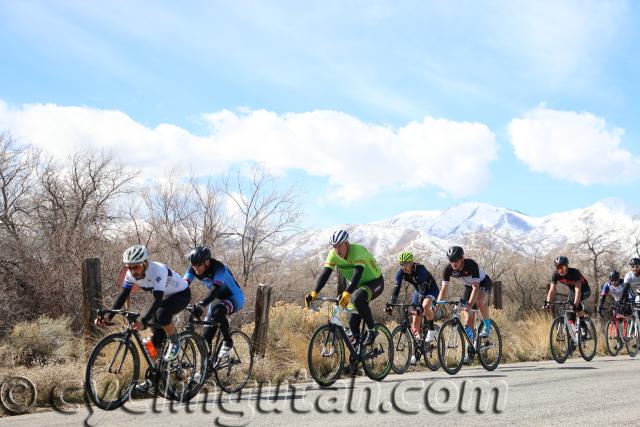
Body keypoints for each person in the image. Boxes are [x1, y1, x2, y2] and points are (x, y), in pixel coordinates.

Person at [95, 245, 190, 393]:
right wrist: (108, 316)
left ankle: (174, 340)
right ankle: (154, 378)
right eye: (129, 267)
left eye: (136, 267)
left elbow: (158, 299)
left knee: (160, 315)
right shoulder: (130, 274)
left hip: (180, 294)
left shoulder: (157, 270)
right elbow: (123, 295)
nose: (133, 271)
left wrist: (143, 322)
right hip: (164, 297)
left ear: (145, 263)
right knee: (155, 339)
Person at [305, 230, 384, 348]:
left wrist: (347, 292)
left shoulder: (357, 251)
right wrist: (314, 292)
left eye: (340, 246)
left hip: (375, 282)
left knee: (357, 298)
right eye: (335, 247)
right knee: (352, 322)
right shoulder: (333, 255)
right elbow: (325, 274)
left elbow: (357, 274)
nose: (338, 250)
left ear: (347, 243)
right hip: (357, 286)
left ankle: (372, 330)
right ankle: (356, 356)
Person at [185, 245, 245, 360]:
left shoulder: (218, 268)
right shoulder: (193, 269)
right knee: (205, 339)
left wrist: (202, 304)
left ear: (207, 262)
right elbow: (183, 285)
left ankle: (228, 341)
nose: (196, 269)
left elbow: (215, 290)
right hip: (218, 298)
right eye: (193, 265)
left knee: (218, 312)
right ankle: (206, 370)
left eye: (198, 265)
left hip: (234, 297)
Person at [386, 251, 439, 343]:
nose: (403, 267)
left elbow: (422, 286)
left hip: (431, 289)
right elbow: (396, 288)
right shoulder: (401, 272)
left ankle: (431, 330)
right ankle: (418, 345)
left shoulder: (420, 269)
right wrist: (391, 304)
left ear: (411, 263)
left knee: (425, 305)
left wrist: (420, 304)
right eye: (401, 264)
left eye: (406, 264)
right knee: (415, 317)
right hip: (419, 291)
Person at [544, 256, 591, 338]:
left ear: (567, 266)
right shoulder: (556, 275)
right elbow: (552, 290)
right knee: (570, 315)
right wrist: (548, 303)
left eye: (562, 267)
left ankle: (583, 325)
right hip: (573, 291)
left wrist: (575, 304)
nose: (560, 269)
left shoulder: (574, 273)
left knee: (574, 304)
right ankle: (573, 339)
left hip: (584, 290)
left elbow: (578, 290)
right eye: (558, 267)